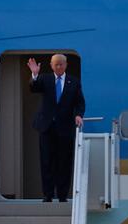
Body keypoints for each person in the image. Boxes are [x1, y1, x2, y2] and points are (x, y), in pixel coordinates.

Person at [26, 53, 86, 202]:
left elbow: (79, 102)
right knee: (46, 161)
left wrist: (79, 115)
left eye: (61, 64)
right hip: (47, 127)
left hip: (65, 128)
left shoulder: (74, 81)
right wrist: (34, 74)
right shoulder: (44, 79)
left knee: (64, 162)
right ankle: (48, 194)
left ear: (66, 65)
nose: (59, 66)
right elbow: (34, 88)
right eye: (56, 64)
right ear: (51, 65)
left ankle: (62, 195)